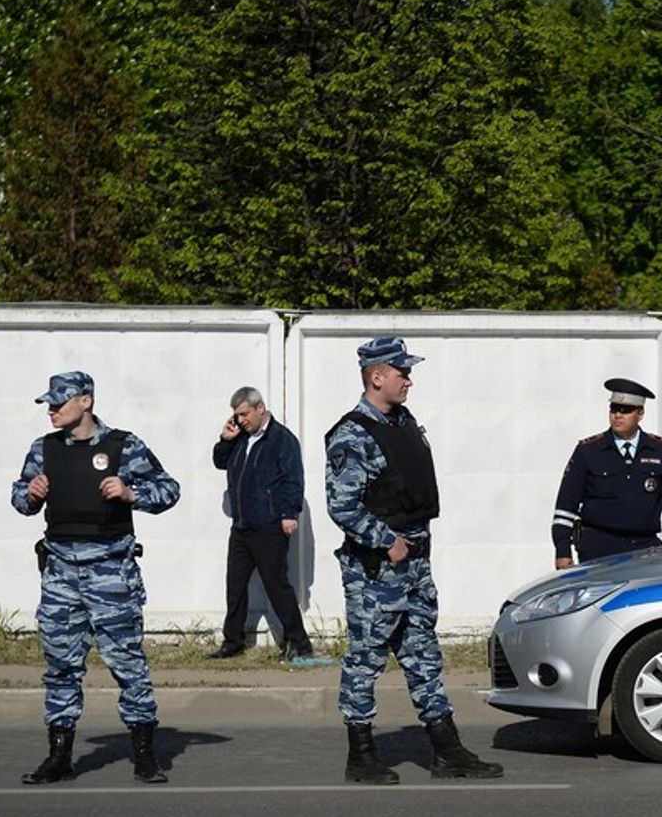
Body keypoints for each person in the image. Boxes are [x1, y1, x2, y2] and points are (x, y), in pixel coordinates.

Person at [324, 336, 501, 784]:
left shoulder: (402, 422)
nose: (409, 379)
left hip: (416, 567)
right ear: (376, 376)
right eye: (402, 372)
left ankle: (447, 750)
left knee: (424, 656)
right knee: (366, 660)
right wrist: (387, 541)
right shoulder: (352, 434)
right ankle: (360, 756)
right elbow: (343, 507)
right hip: (378, 570)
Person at [10, 371, 181, 785]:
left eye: (60, 401)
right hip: (60, 573)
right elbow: (19, 497)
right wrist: (30, 495)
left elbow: (169, 490)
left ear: (85, 401)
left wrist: (131, 494)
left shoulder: (123, 446)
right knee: (61, 667)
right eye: (48, 403)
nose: (51, 409)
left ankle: (143, 755)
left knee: (128, 664)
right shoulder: (44, 449)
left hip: (110, 573)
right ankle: (59, 756)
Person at [208, 386, 313, 659]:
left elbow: (293, 478)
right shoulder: (240, 439)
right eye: (237, 415)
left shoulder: (281, 439)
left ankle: (299, 643)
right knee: (235, 586)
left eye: (244, 414)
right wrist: (226, 439)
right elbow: (220, 462)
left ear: (260, 408)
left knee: (276, 585)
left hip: (269, 525)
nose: (241, 420)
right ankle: (232, 642)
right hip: (242, 525)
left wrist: (290, 513)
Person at [552, 378, 662, 568]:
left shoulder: (660, 451)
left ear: (640, 413)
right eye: (614, 409)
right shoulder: (589, 451)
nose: (617, 415)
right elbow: (565, 505)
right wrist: (562, 550)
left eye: (625, 410)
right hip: (598, 547)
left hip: (644, 548)